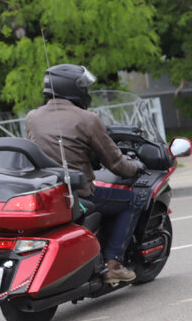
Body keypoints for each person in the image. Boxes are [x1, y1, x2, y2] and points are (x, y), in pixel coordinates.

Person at [25, 64, 143, 284]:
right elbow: (116, 163)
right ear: (71, 88)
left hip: (49, 195)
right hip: (80, 194)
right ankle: (113, 264)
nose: (86, 91)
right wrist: (135, 168)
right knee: (131, 201)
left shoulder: (32, 117)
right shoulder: (88, 119)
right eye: (83, 86)